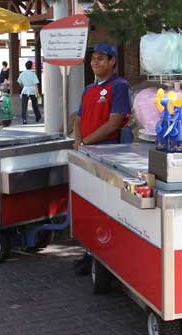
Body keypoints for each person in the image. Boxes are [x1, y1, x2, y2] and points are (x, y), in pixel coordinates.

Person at [72, 42, 131, 275]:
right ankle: (89, 252)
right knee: (90, 205)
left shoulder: (119, 86)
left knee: (106, 208)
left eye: (101, 58)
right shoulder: (88, 89)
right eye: (93, 58)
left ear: (112, 61)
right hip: (86, 152)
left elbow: (114, 123)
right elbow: (78, 118)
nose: (95, 62)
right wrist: (78, 141)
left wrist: (87, 142)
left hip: (107, 153)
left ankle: (105, 257)